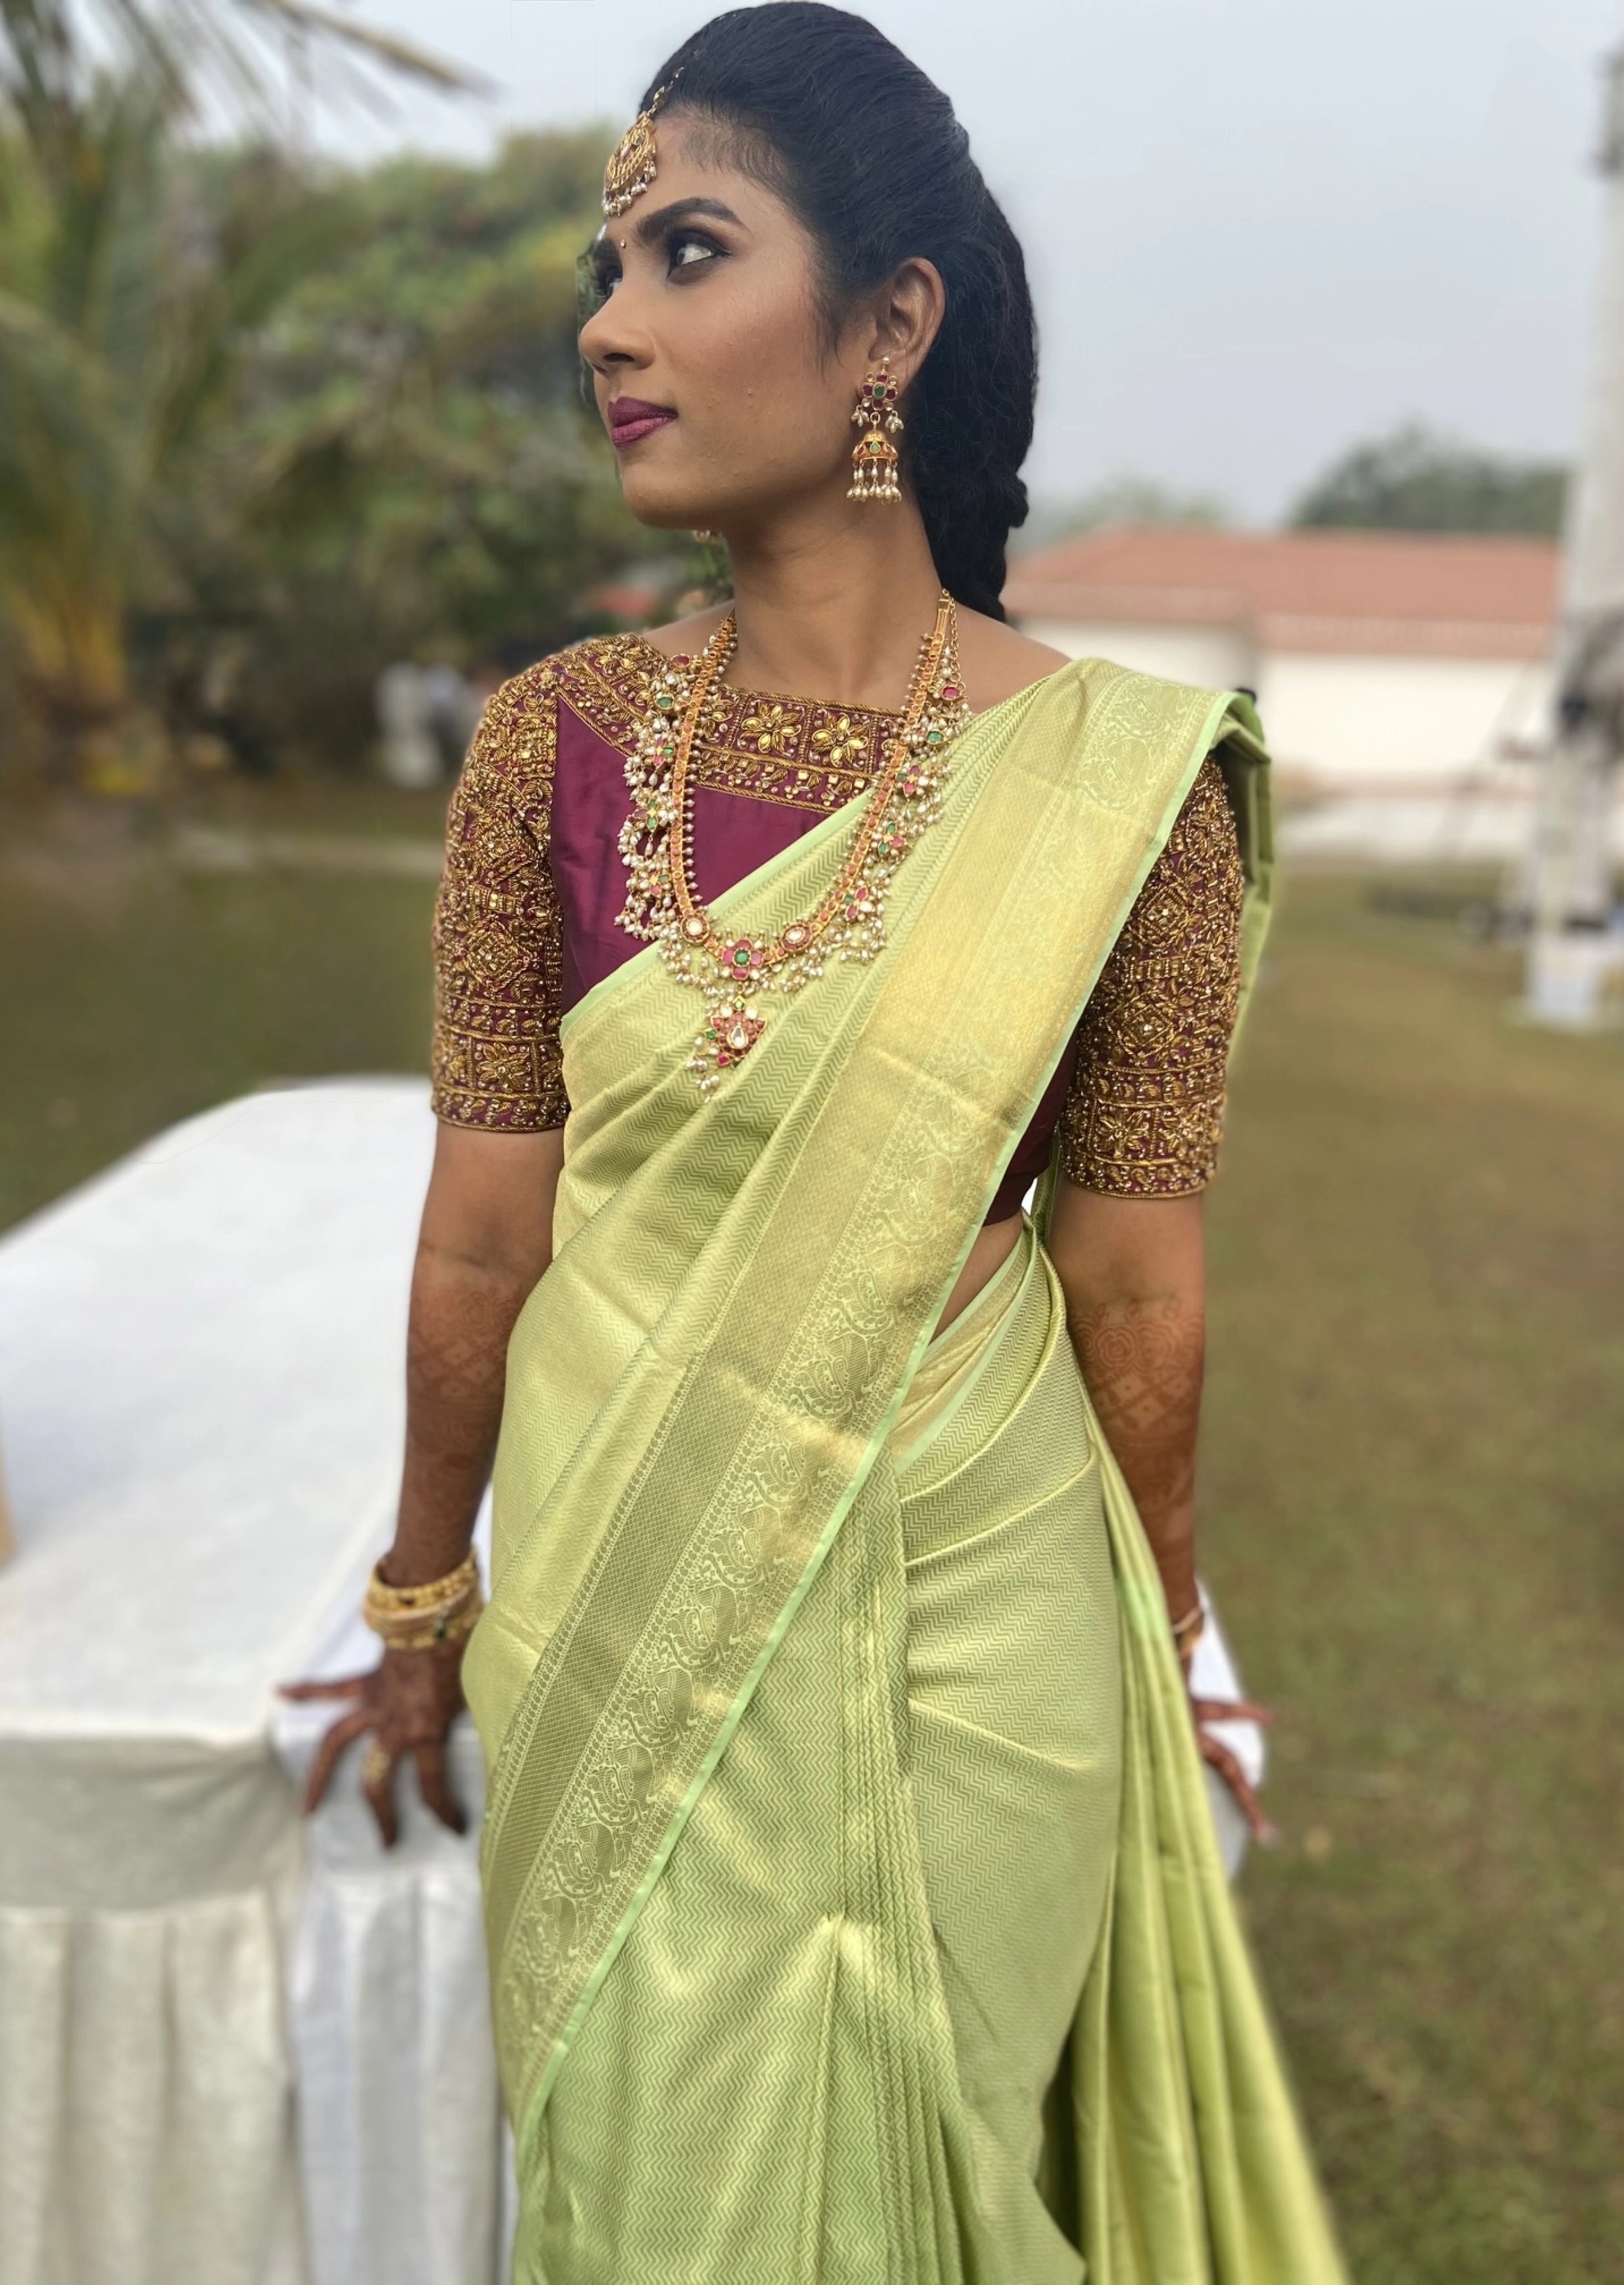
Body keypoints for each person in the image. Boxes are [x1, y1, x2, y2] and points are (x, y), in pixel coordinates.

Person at [286, 9, 1347, 2276]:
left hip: (985, 1623)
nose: (607, 327)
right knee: (659, 2182)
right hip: (609, 1591)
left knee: (942, 2166)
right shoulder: (543, 748)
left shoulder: (1117, 789)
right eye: (609, 268)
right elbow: (485, 1236)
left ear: (887, 324)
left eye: (684, 253)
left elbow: (1131, 1280)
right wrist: (414, 1599)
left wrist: (1162, 1648)